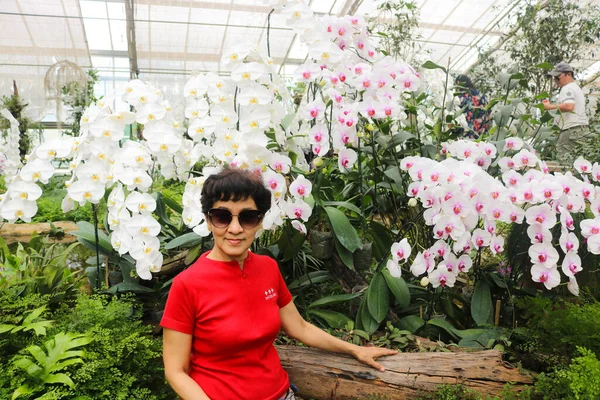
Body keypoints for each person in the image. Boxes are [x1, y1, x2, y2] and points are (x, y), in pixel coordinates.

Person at [161, 168, 397, 400]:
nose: (235, 229)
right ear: (208, 221)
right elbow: (175, 371)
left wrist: (355, 349)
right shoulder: (187, 284)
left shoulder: (267, 268)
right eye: (222, 217)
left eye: (248, 217)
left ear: (260, 222)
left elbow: (300, 328)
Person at [542, 62, 591, 165]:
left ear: (568, 74)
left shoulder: (567, 88)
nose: (555, 80)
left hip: (571, 131)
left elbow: (569, 106)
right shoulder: (576, 88)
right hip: (581, 130)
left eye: (557, 77)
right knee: (580, 164)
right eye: (554, 78)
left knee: (565, 163)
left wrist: (549, 107)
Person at [454, 74, 491, 139]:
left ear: (458, 83)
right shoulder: (480, 95)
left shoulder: (460, 97)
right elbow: (488, 110)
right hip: (480, 133)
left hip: (466, 135)